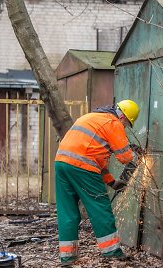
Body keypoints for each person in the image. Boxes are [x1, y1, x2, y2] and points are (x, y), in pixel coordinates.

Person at [54, 99, 140, 267]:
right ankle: (112, 252)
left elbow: (97, 159)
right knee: (100, 207)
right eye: (127, 124)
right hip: (82, 166)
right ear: (123, 117)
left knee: (67, 212)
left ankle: (68, 257)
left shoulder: (93, 117)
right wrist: (137, 155)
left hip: (61, 163)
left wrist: (111, 182)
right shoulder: (113, 122)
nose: (125, 128)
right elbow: (125, 157)